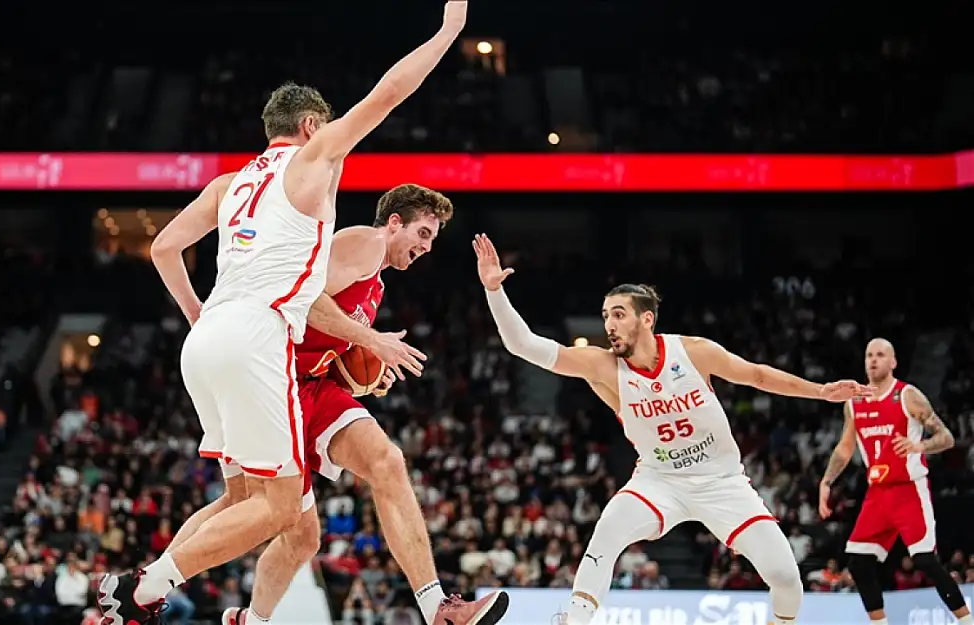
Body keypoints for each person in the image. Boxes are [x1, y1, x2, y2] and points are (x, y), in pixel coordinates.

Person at [96, 3, 469, 622]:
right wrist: (449, 31)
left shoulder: (230, 183)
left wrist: (197, 315)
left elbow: (164, 247)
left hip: (208, 337)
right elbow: (391, 92)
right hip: (257, 336)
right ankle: (141, 587)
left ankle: (153, 595)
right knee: (279, 509)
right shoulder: (313, 161)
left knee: (254, 502)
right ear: (309, 124)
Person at [471, 234, 871, 625]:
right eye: (605, 314)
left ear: (646, 318)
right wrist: (494, 292)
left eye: (618, 314)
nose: (608, 324)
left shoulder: (693, 351)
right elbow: (523, 345)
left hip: (723, 484)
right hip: (659, 480)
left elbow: (757, 376)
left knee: (786, 579)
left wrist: (820, 391)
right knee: (607, 532)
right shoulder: (603, 366)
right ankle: (574, 620)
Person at [221, 185, 509, 624]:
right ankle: (157, 585)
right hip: (273, 384)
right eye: (424, 233)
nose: (426, 248)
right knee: (288, 530)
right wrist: (372, 340)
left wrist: (366, 376)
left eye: (432, 240)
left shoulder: (374, 282)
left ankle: (437, 607)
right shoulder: (365, 243)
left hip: (310, 385)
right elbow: (304, 299)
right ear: (395, 223)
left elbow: (332, 347)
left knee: (387, 462)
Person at [819, 338, 971, 625]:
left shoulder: (907, 395)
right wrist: (827, 481)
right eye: (869, 355)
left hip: (908, 489)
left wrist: (920, 447)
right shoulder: (854, 403)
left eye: (880, 355)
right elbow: (844, 447)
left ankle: (966, 620)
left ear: (893, 362)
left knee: (925, 560)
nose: (873, 360)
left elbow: (947, 437)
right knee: (858, 563)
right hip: (877, 494)